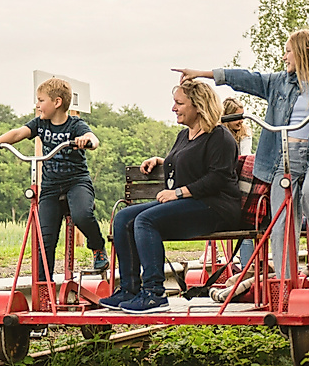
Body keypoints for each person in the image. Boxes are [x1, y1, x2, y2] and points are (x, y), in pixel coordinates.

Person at [174, 28, 309, 282]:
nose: (284, 57)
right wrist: (202, 74)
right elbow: (245, 78)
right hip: (283, 162)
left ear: (304, 52)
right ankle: (286, 282)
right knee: (282, 223)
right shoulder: (278, 83)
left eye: (288, 51)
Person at [99, 80, 240, 313]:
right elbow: (190, 163)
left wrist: (178, 193)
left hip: (216, 208)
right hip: (189, 203)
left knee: (145, 221)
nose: (174, 108)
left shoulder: (220, 137)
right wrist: (162, 162)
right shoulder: (185, 136)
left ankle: (154, 294)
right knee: (123, 218)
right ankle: (129, 290)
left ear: (199, 106)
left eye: (179, 103)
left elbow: (218, 178)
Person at [0, 78, 108, 274]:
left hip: (76, 182)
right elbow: (17, 134)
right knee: (44, 238)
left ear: (56, 102)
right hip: (50, 186)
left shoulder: (75, 125)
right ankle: (43, 287)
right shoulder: (40, 124)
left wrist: (86, 140)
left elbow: (94, 139)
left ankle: (98, 248)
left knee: (82, 215)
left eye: (40, 100)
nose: (37, 105)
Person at [222, 97, 256, 269]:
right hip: (225, 179)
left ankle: (247, 266)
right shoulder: (220, 133)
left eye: (242, 116)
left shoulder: (244, 133)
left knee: (247, 221)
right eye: (236, 117)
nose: (240, 120)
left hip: (238, 177)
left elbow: (245, 157)